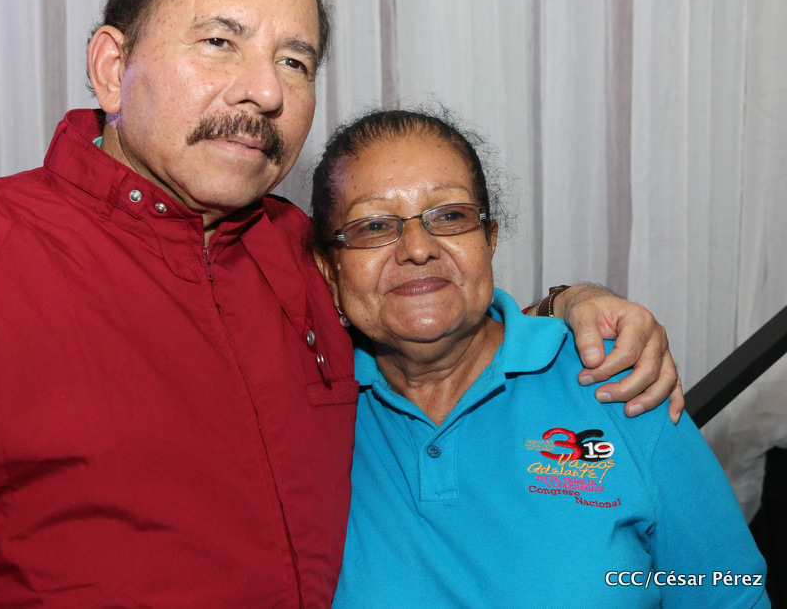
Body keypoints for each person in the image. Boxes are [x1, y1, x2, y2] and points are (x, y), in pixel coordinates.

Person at [0, 0, 679, 607]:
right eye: (220, 41)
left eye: (296, 61)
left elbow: (431, 306)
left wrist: (574, 305)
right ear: (112, 66)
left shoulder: (302, 258)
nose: (264, 90)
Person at [310, 108, 768, 608]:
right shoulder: (307, 405)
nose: (418, 249)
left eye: (449, 216)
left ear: (489, 240)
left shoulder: (615, 379)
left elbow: (728, 591)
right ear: (330, 269)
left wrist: (567, 299)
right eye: (375, 226)